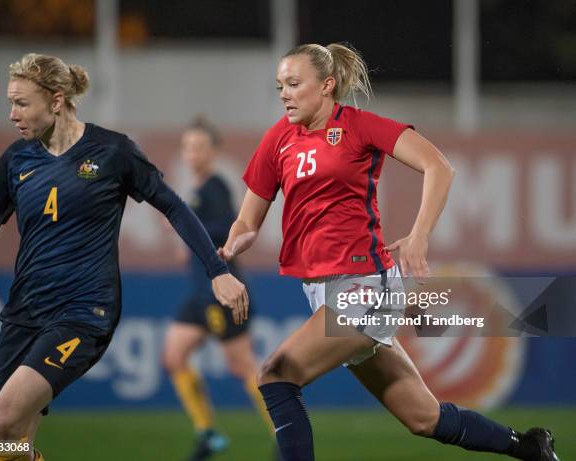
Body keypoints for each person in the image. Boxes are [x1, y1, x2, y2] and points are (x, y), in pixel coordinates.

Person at [218, 43, 560, 461]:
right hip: (325, 292)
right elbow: (247, 220)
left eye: (293, 84)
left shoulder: (359, 126)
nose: (285, 94)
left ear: (327, 86)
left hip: (365, 285)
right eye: (279, 87)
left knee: (276, 375)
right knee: (424, 418)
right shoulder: (278, 140)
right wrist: (237, 239)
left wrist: (419, 235)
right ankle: (529, 447)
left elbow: (439, 167)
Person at [0, 53, 248, 461]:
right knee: (8, 442)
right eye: (11, 103)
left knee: (4, 419)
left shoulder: (112, 151)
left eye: (22, 103)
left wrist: (217, 271)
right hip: (25, 310)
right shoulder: (16, 159)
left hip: (84, 310)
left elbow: (173, 206)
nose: (12, 114)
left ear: (57, 100)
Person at [161, 117, 277, 461]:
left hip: (220, 293)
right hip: (199, 295)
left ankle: (283, 432)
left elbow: (229, 227)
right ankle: (207, 433)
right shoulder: (197, 190)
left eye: (198, 146)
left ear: (213, 151)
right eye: (187, 146)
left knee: (242, 365)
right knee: (174, 357)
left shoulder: (215, 187)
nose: (191, 153)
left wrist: (191, 231)